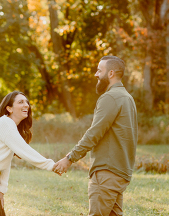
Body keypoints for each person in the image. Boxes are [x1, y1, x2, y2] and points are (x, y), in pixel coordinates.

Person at [53, 55, 137, 216]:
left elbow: (94, 133)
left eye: (99, 70)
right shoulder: (127, 98)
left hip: (107, 172)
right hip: (120, 172)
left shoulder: (110, 97)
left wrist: (70, 158)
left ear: (111, 73)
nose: (96, 74)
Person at [0, 91, 56, 216]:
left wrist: (1, 189)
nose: (26, 105)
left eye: (26, 102)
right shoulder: (5, 123)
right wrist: (51, 165)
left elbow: (5, 161)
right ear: (9, 108)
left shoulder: (11, 126)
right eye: (20, 102)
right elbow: (25, 151)